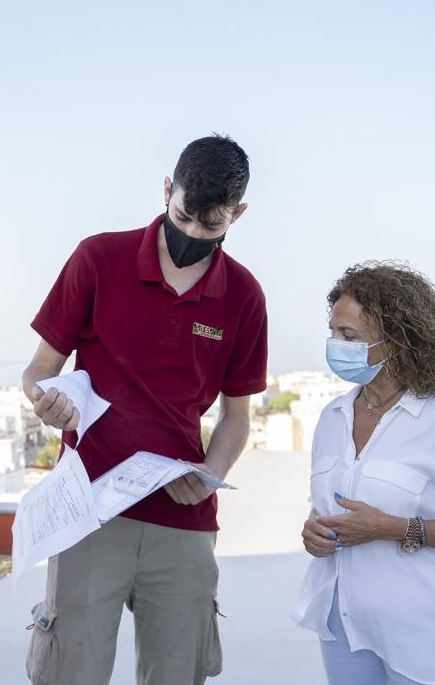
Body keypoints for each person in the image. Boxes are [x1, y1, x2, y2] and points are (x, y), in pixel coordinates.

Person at [22, 134, 268, 684]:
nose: (192, 234)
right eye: (183, 216)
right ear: (165, 190)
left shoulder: (245, 296)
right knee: (70, 673)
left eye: (211, 226)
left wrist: (212, 476)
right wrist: (48, 402)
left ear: (239, 213)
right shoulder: (98, 258)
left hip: (182, 517)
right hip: (88, 510)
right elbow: (39, 370)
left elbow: (236, 415)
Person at [294, 261, 435, 684]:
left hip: (424, 634)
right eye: (333, 332)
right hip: (343, 625)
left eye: (349, 336)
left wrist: (393, 528)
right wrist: (313, 532)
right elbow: (327, 507)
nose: (335, 344)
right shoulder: (331, 416)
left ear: (395, 340)